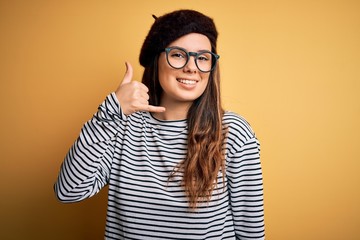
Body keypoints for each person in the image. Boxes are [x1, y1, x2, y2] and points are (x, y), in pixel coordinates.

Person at [54, 9, 265, 240]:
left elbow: (251, 232)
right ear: (156, 60)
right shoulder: (121, 125)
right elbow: (68, 191)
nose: (192, 68)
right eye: (178, 54)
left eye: (203, 57)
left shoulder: (233, 133)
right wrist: (110, 113)